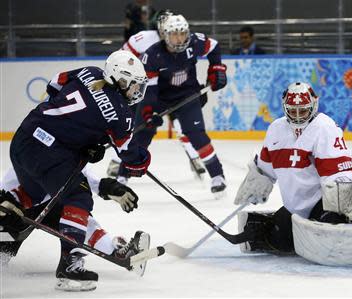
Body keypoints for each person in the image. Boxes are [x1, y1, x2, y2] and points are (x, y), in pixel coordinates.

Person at [1, 50, 152, 291]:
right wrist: (143, 161)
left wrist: (79, 131)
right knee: (78, 198)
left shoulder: (88, 72)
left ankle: (9, 203)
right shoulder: (122, 114)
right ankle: (70, 268)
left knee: (41, 195)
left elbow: (54, 85)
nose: (136, 92)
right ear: (120, 79)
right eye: (134, 86)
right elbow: (131, 158)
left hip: (25, 137)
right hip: (49, 153)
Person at [234, 82, 352, 270]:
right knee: (278, 240)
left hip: (322, 203)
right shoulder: (276, 129)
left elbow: (338, 176)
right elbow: (266, 168)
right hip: (296, 207)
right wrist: (258, 180)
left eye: (303, 111)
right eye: (293, 111)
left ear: (314, 106)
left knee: (331, 240)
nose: (298, 116)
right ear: (285, 108)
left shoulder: (324, 128)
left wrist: (343, 207)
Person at [124, 14, 228, 196]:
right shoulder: (152, 55)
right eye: (174, 34)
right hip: (160, 97)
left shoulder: (195, 42)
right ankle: (123, 176)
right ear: (165, 35)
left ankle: (217, 175)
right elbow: (150, 91)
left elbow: (214, 47)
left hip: (187, 95)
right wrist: (148, 112)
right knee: (142, 133)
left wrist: (216, 68)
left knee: (196, 134)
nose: (180, 38)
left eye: (182, 33)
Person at [108, 10, 207, 179]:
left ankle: (195, 157)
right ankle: (117, 161)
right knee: (133, 127)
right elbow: (120, 59)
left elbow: (186, 68)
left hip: (173, 90)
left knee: (182, 125)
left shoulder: (181, 41)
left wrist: (196, 89)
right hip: (147, 89)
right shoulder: (142, 39)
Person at [0, 166, 141, 268]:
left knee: (78, 216)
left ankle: (117, 251)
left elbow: (83, 175)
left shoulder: (67, 149)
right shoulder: (34, 151)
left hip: (49, 204)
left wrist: (110, 187)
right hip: (16, 208)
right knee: (2, 256)